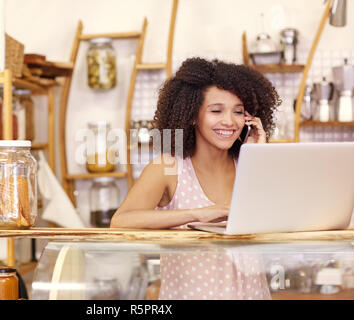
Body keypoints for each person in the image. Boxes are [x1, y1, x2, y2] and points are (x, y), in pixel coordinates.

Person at [110, 57, 281, 299]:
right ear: (193, 115)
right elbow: (121, 222)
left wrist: (256, 157)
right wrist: (198, 214)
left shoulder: (249, 165)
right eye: (216, 110)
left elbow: (279, 221)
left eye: (238, 111)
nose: (229, 121)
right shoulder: (168, 168)